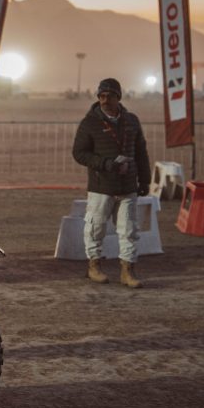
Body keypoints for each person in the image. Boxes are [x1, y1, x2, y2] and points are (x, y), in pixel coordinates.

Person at [72, 78, 150, 288]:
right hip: (101, 186)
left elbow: (141, 152)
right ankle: (94, 267)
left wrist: (145, 180)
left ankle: (128, 271)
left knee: (129, 230)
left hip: (128, 186)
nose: (106, 100)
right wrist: (106, 164)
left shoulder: (132, 121)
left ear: (119, 97)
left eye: (110, 96)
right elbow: (79, 153)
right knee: (95, 228)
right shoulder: (89, 123)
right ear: (98, 97)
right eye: (102, 96)